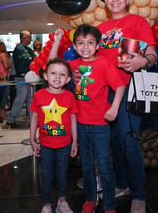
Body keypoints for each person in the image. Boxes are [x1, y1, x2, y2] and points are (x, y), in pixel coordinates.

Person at [96, 0, 158, 213]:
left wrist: (144, 61)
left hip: (130, 88)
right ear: (105, 0)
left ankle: (139, 193)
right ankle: (121, 185)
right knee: (114, 141)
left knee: (129, 141)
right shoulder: (100, 30)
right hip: (105, 91)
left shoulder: (138, 22)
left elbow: (151, 53)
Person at [50, 24, 126, 213]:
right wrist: (57, 41)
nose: (85, 47)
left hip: (100, 124)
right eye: (81, 43)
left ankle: (109, 204)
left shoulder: (103, 64)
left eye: (90, 42)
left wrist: (114, 108)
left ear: (98, 45)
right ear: (75, 47)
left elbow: (120, 86)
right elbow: (52, 65)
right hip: (80, 124)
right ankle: (91, 198)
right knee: (86, 164)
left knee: (104, 164)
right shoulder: (73, 66)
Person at [30, 58, 78, 213]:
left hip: (64, 144)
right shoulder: (39, 95)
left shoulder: (70, 96)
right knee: (47, 175)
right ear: (45, 76)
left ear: (68, 79)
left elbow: (73, 119)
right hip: (45, 144)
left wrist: (75, 142)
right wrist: (32, 139)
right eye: (53, 73)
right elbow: (34, 118)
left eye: (62, 74)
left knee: (62, 174)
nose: (57, 77)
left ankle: (62, 202)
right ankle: (46, 204)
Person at [6, 30, 35, 128]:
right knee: (20, 99)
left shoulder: (27, 49)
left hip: (29, 77)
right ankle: (11, 119)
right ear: (24, 38)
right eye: (29, 37)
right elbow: (28, 60)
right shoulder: (19, 48)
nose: (31, 39)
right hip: (22, 78)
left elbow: (34, 59)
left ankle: (32, 120)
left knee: (30, 100)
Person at [0, 42, 12, 121]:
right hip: (5, 76)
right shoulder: (3, 55)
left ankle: (1, 111)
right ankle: (2, 112)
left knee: (1, 95)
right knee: (5, 95)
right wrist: (10, 64)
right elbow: (6, 66)